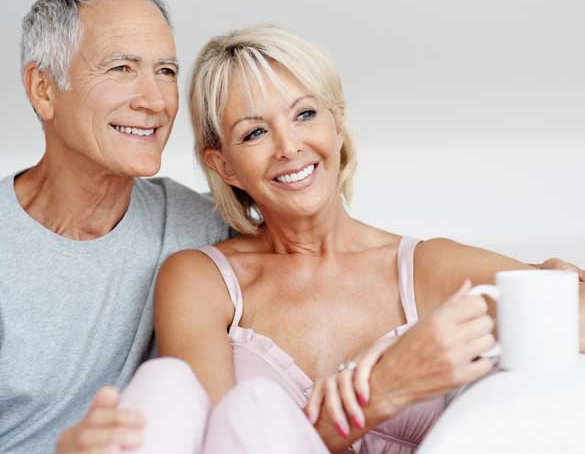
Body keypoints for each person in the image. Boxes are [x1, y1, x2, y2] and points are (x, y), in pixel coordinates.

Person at [105, 24, 584, 454]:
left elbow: (567, 307)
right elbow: (218, 441)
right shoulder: (201, 279)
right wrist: (380, 394)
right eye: (254, 133)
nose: (288, 146)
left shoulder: (425, 268)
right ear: (224, 166)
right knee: (198, 391)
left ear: (337, 125)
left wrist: (565, 290)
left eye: (305, 114)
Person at [0, 0, 229, 454]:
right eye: (122, 68)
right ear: (43, 89)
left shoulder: (201, 227)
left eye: (165, 71)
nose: (154, 101)